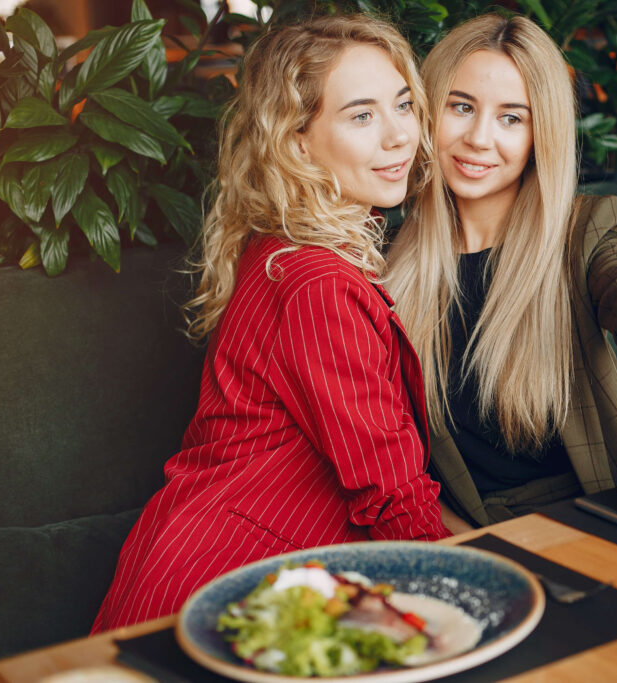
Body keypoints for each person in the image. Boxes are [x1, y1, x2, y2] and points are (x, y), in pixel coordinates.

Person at [92, 14, 449, 632]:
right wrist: (458, 595)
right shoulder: (318, 284)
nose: (400, 136)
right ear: (297, 141)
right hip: (226, 582)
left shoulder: (284, 246)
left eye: (403, 106)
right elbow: (389, 488)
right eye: (361, 115)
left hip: (226, 569)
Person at [384, 13, 617, 532]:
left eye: (512, 118)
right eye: (461, 107)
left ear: (542, 134)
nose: (478, 138)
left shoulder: (585, 228)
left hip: (594, 518)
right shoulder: (379, 259)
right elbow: (391, 456)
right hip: (461, 530)